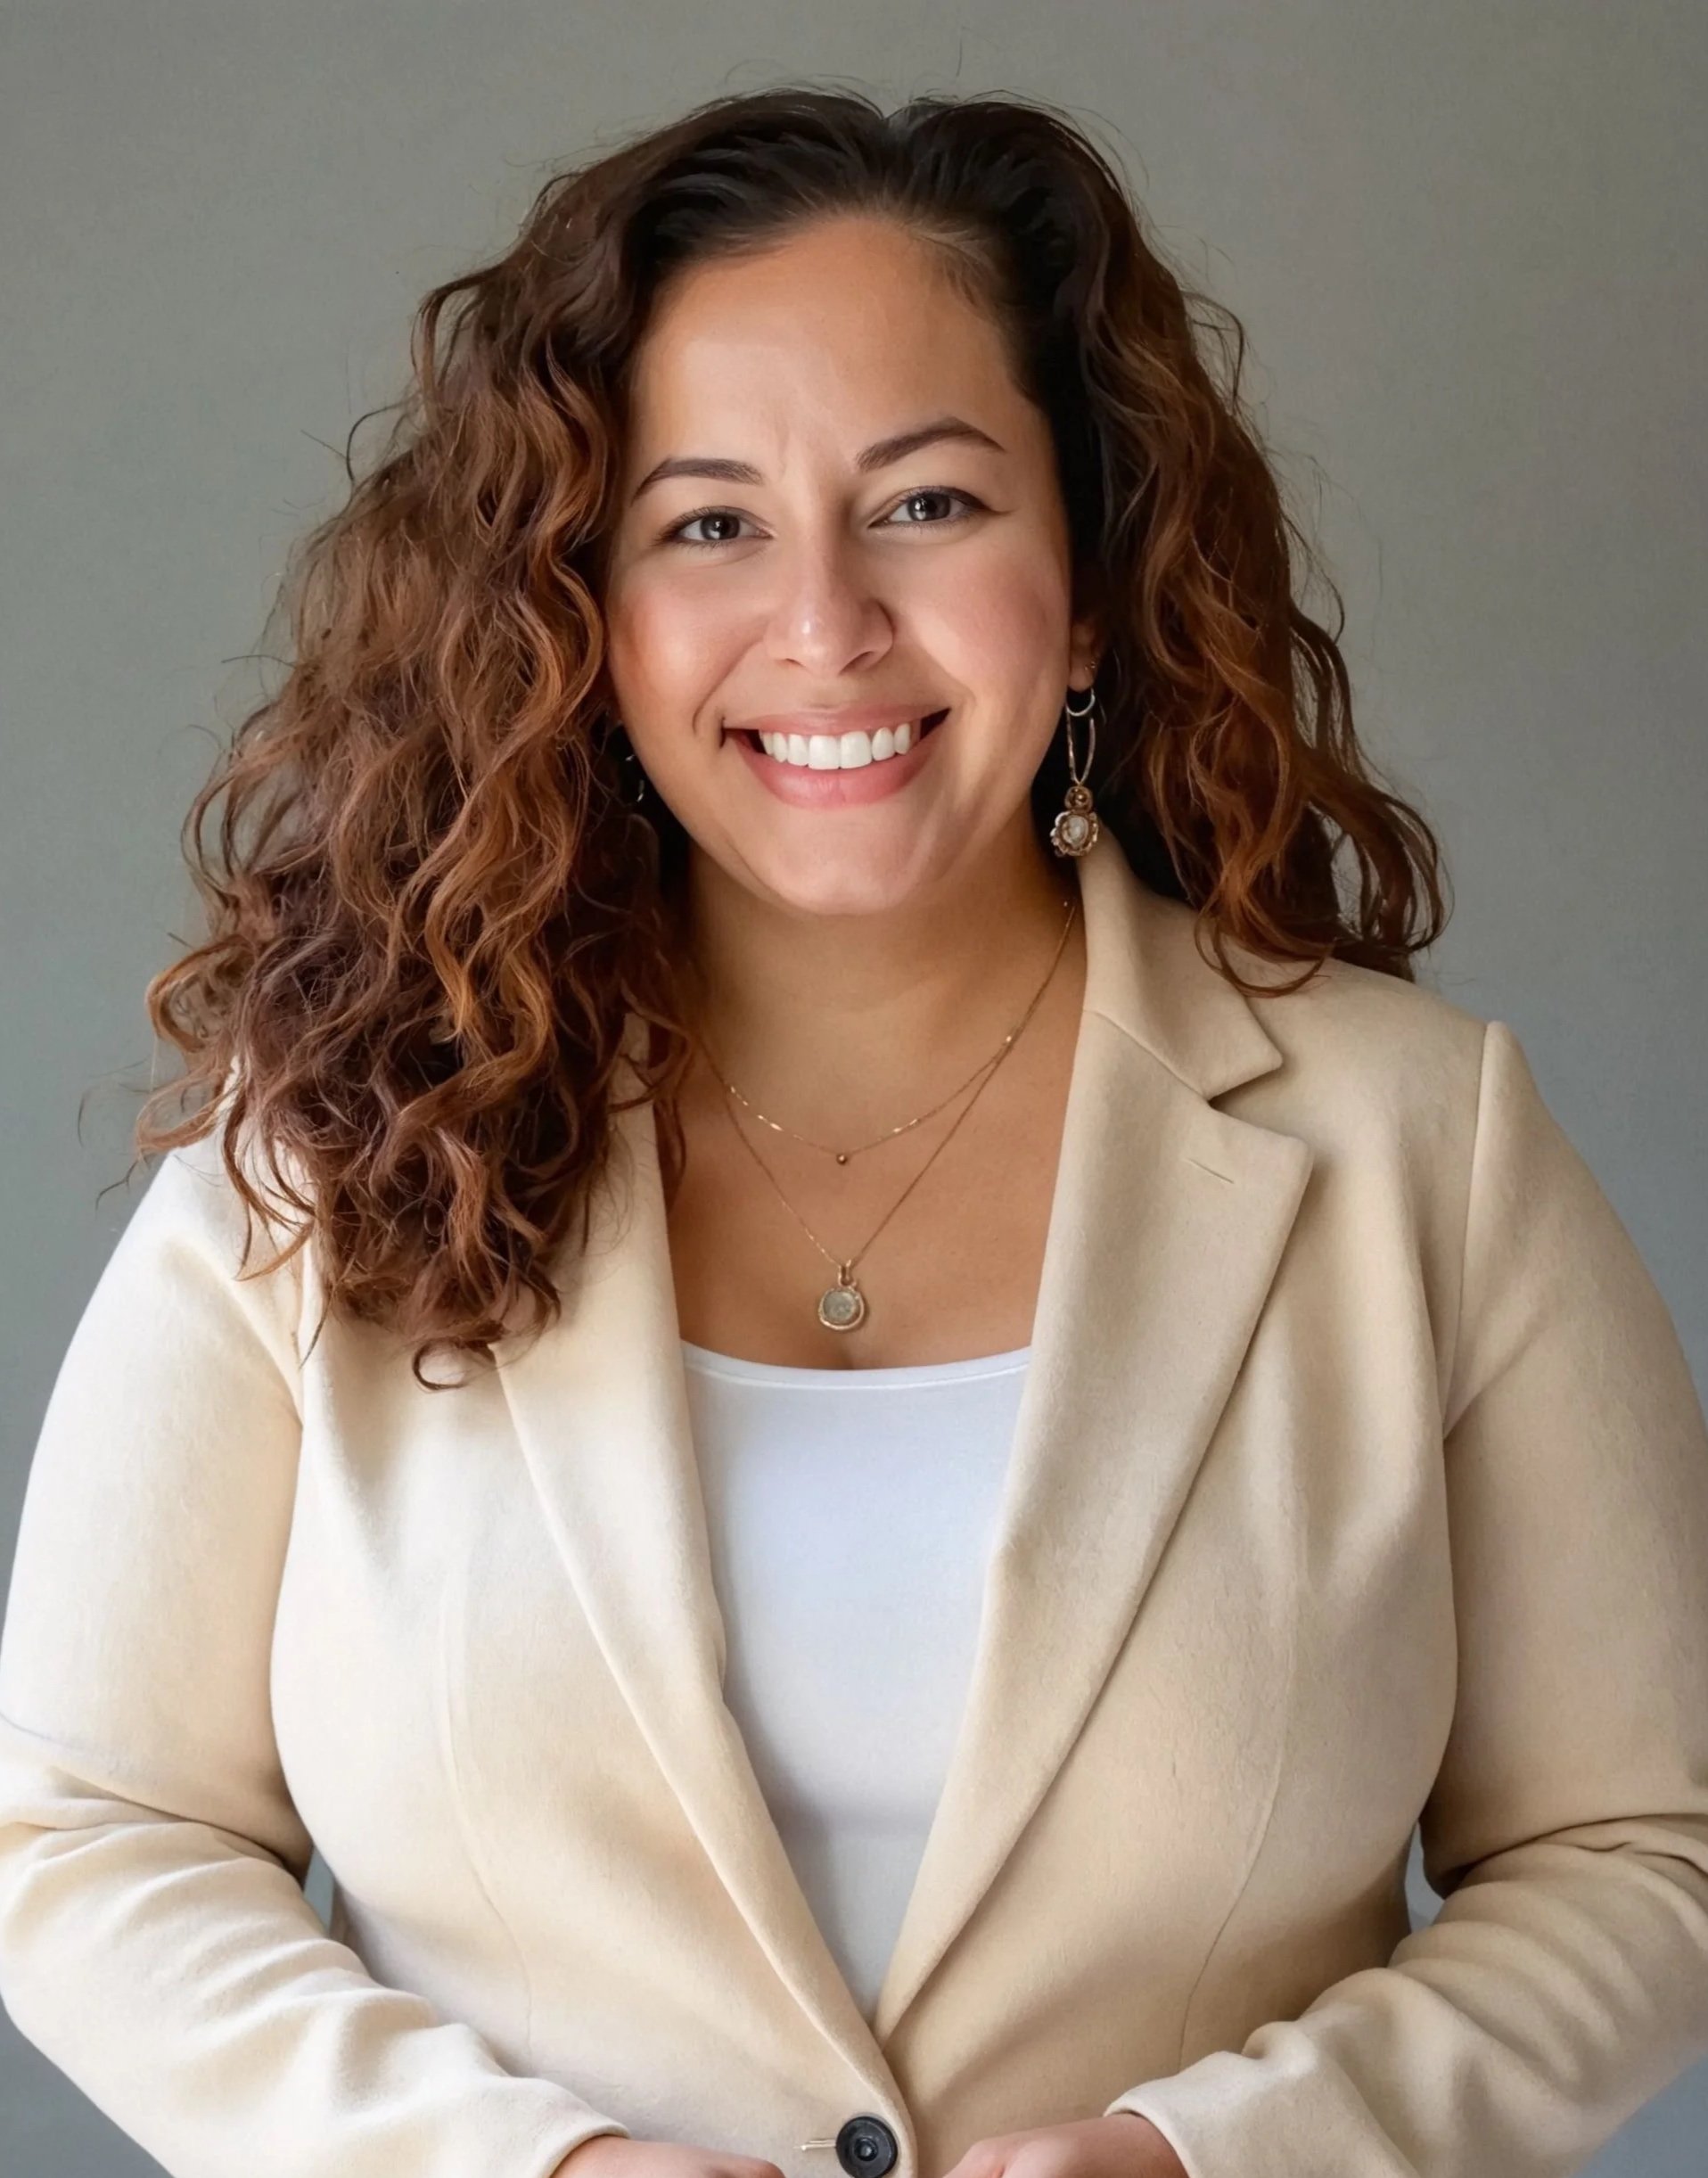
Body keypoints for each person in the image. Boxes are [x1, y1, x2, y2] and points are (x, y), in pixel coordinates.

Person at [2, 82, 1706, 2178]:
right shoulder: (332, 1150)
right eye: (706, 522)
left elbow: (1643, 1848)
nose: (825, 624)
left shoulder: (1422, 1150)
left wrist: (1226, 2154)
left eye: (926, 504)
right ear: (583, 617)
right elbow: (84, 1836)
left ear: (1086, 582)